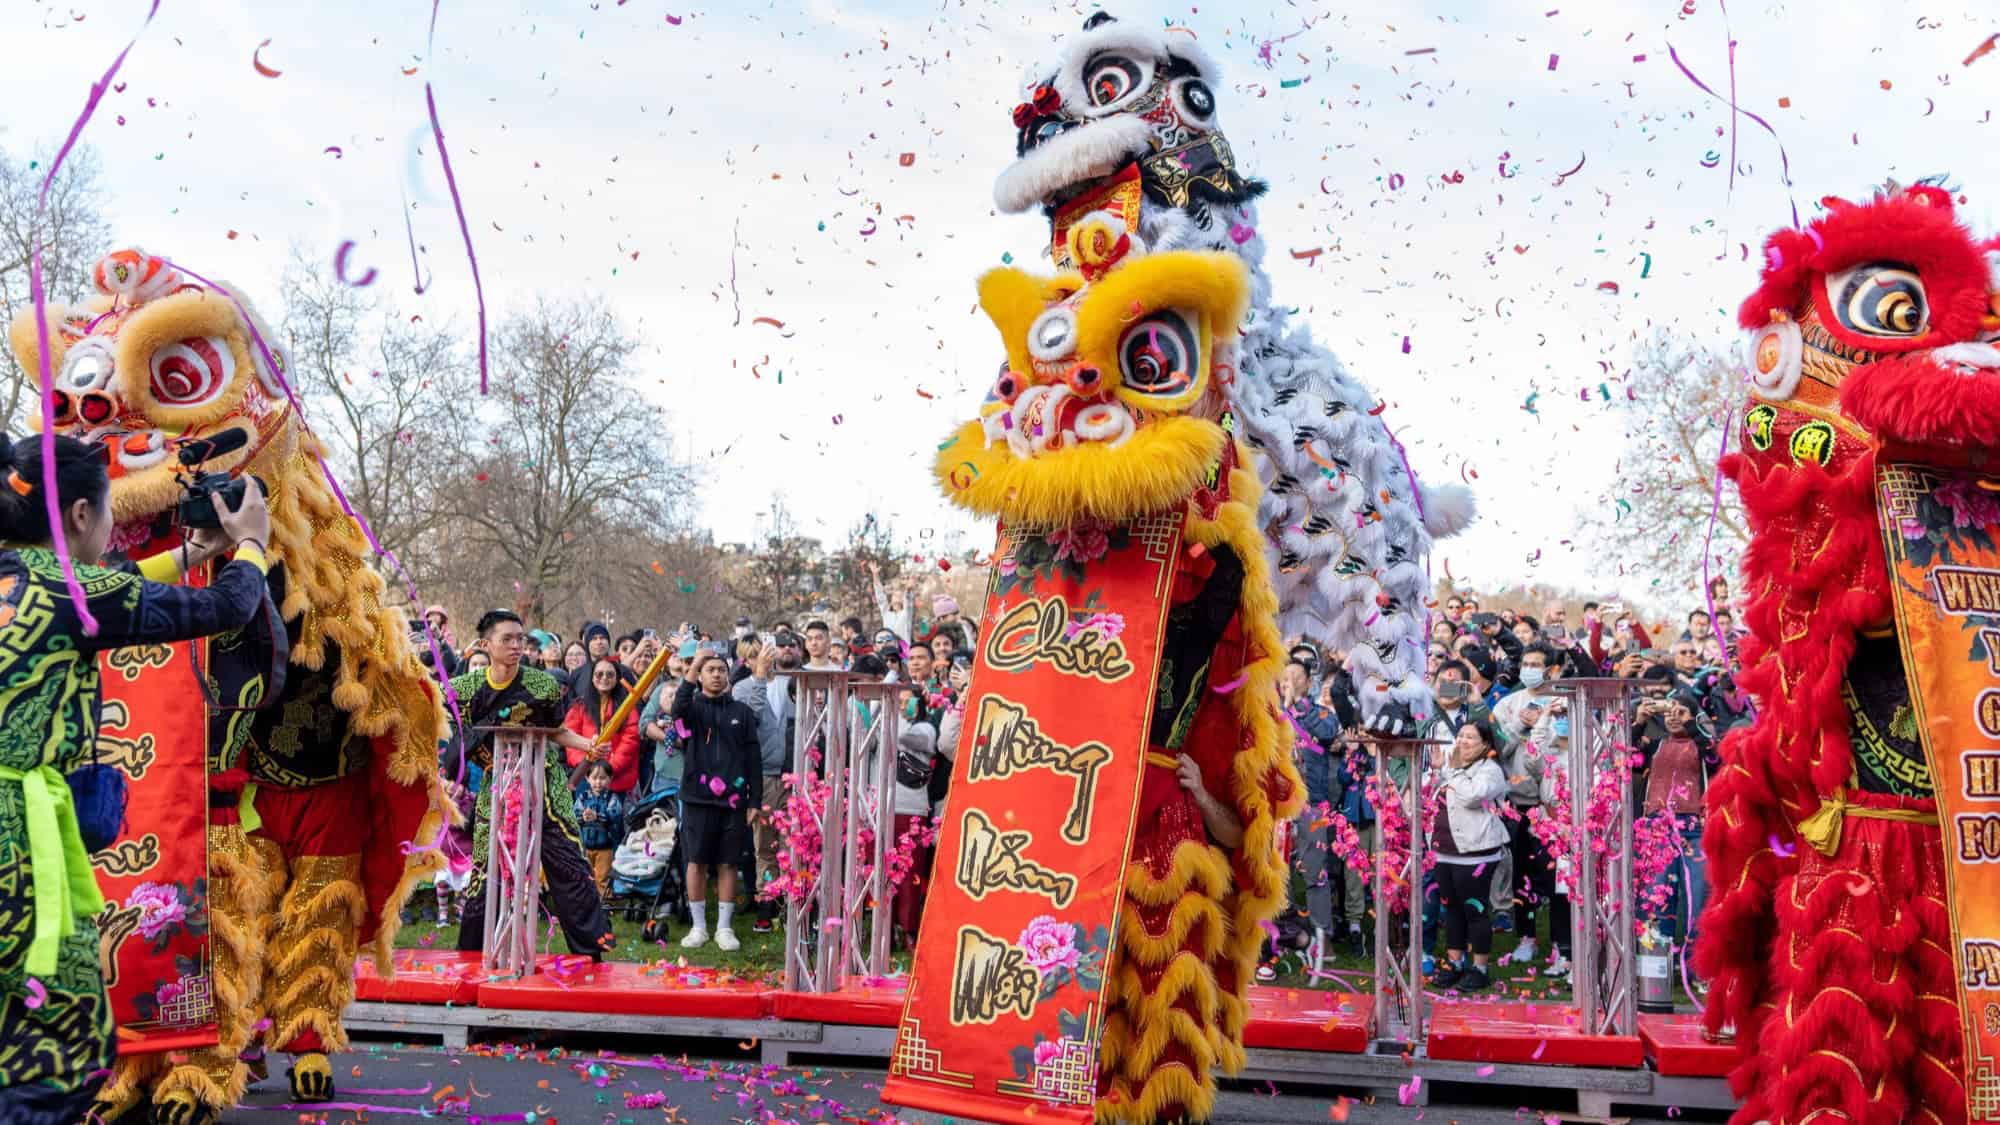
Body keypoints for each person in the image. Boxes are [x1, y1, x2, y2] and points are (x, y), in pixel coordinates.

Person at [0, 433, 273, 1125]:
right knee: (55, 1036)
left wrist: (193, 552)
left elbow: (111, 585)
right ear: (86, 513)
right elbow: (228, 607)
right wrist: (250, 543)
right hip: (16, 848)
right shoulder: (71, 587)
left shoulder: (16, 576)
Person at [446, 610, 614, 958]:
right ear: (485, 645)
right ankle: (473, 954)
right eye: (506, 639)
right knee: (485, 867)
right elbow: (456, 740)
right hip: (498, 785)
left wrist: (588, 746)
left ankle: (592, 950)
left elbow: (557, 731)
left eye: (520, 639)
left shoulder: (543, 685)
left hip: (545, 782)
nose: (515, 646)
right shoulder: (463, 690)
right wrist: (452, 778)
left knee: (569, 862)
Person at [670, 649, 767, 951]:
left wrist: (755, 800)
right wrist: (694, 663)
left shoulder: (742, 712)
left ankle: (724, 928)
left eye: (721, 670)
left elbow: (754, 758)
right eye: (709, 669)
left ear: (728, 676)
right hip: (698, 799)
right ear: (700, 675)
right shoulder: (693, 709)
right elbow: (677, 708)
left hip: (733, 801)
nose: (716, 674)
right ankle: (699, 926)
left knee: (728, 863)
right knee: (696, 861)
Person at [1428, 722, 1509, 992]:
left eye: (1470, 737)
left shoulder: (1491, 771)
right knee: (1452, 909)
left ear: (1485, 744)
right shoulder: (1453, 770)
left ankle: (1480, 967)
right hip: (1444, 851)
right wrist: (1439, 770)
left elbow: (1473, 796)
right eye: (1460, 735)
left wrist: (1451, 770)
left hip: (1476, 853)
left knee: (1474, 910)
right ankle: (1455, 963)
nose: (1462, 741)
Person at [1282, 660, 1342, 968]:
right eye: (1284, 677)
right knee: (1280, 872)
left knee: (1316, 871)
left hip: (1312, 803)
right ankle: (1288, 933)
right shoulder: (1271, 713)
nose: (1287, 682)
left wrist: (1297, 707)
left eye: (1295, 678)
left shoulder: (1320, 713)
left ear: (1308, 683)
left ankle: (1323, 934)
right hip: (1278, 805)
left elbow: (1330, 731)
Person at [736, 632, 796, 933]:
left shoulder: (790, 683)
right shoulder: (743, 689)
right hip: (764, 777)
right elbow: (752, 718)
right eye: (756, 655)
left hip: (792, 774)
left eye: (766, 652)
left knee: (792, 844)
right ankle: (765, 902)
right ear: (746, 660)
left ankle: (791, 905)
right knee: (765, 846)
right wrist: (759, 678)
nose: (765, 659)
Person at [564, 658, 642, 796]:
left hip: (618, 779)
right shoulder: (579, 706)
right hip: (586, 776)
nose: (604, 678)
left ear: (617, 678)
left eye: (610, 674)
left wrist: (607, 769)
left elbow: (630, 741)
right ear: (592, 678)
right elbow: (570, 740)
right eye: (599, 674)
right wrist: (590, 768)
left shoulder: (628, 707)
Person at [575, 761, 626, 900]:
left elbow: (615, 816)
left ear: (610, 779)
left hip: (605, 846)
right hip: (586, 845)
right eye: (594, 778)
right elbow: (575, 813)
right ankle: (587, 900)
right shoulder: (583, 797)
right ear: (587, 778)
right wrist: (583, 817)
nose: (598, 782)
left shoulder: (612, 798)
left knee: (603, 875)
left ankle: (605, 901)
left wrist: (598, 816)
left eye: (603, 778)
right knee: (586, 874)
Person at [869, 560, 914, 642]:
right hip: (889, 650)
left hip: (904, 651)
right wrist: (875, 575)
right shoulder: (886, 613)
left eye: (900, 595)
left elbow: (908, 600)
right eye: (895, 595)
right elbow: (880, 597)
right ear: (891, 600)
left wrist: (908, 589)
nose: (898, 596)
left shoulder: (906, 613)